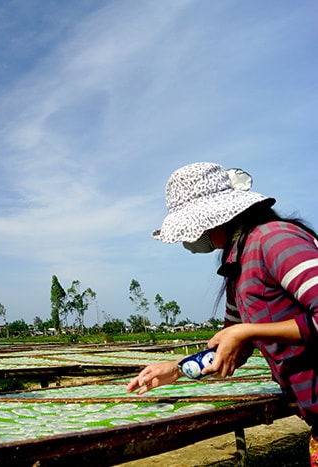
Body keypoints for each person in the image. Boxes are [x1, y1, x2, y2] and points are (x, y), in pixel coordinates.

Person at [126, 162, 318, 464]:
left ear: (219, 217)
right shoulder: (237, 266)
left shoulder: (274, 240)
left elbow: (242, 334)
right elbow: (231, 350)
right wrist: (176, 369)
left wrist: (247, 331)